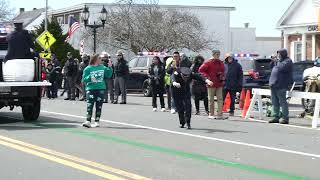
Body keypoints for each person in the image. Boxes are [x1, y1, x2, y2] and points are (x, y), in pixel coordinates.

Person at [169, 65, 213, 129]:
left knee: (188, 107)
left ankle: (188, 123)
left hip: (185, 91)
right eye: (184, 77)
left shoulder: (190, 74)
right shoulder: (177, 73)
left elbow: (199, 76)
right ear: (181, 74)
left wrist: (207, 81)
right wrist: (174, 82)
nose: (186, 78)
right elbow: (172, 77)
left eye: (187, 77)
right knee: (180, 108)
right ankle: (182, 122)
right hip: (176, 92)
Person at [82, 54, 113, 128]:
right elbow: (84, 79)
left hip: (100, 88)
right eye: (99, 58)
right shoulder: (88, 69)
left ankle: (97, 121)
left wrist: (110, 67)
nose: (101, 60)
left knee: (99, 105)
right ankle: (88, 120)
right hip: (91, 89)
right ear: (95, 59)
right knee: (90, 104)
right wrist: (91, 76)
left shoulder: (103, 67)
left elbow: (108, 75)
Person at [199, 50, 227, 120]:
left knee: (220, 99)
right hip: (211, 83)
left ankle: (220, 114)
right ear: (213, 54)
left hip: (219, 83)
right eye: (216, 54)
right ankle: (211, 114)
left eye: (219, 54)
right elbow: (201, 70)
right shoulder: (208, 62)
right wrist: (207, 78)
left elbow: (223, 70)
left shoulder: (220, 62)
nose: (218, 55)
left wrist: (222, 75)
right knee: (211, 99)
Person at [268, 49, 293, 124]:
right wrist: (273, 60)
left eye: (279, 54)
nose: (278, 56)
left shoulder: (288, 61)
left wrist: (277, 60)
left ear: (283, 54)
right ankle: (276, 116)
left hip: (281, 85)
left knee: (282, 102)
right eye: (278, 54)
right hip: (273, 84)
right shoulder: (278, 62)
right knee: (274, 102)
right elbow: (270, 66)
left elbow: (281, 68)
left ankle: (285, 118)